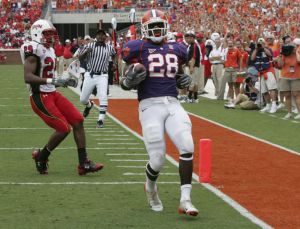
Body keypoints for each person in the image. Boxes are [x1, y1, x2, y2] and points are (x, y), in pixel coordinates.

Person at [121, 9, 198, 216]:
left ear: (165, 26)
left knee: (187, 146)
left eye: (159, 25)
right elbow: (124, 81)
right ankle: (151, 188)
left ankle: (186, 199)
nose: (156, 29)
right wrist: (128, 80)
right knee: (157, 158)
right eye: (152, 26)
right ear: (145, 29)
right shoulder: (137, 47)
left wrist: (183, 79)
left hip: (172, 103)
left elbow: (178, 73)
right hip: (150, 105)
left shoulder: (177, 48)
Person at [20, 19, 103, 175]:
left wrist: (63, 81)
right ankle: (41, 157)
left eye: (52, 34)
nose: (51, 37)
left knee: (78, 120)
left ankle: (83, 163)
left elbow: (49, 77)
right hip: (39, 96)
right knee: (64, 128)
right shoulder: (33, 48)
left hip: (51, 92)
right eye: (47, 34)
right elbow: (28, 76)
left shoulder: (49, 50)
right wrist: (54, 80)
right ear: (37, 33)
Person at [78, 29, 116, 128]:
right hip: (90, 74)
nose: (100, 36)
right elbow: (80, 58)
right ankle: (89, 105)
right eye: (98, 35)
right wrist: (86, 52)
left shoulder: (109, 47)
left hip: (103, 75)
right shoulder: (89, 46)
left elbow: (114, 54)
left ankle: (101, 119)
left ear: (105, 37)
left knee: (103, 97)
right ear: (96, 37)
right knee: (82, 99)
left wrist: (114, 64)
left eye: (102, 35)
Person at [251, 37, 278, 113]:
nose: (260, 44)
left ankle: (274, 104)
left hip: (268, 71)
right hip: (261, 72)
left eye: (262, 42)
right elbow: (252, 58)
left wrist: (263, 47)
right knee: (264, 90)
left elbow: (270, 54)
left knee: (271, 88)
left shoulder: (267, 49)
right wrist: (256, 49)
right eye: (259, 43)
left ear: (264, 43)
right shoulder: (256, 50)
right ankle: (268, 105)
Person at [276, 35, 300, 119]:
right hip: (285, 76)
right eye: (286, 43)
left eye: (289, 42)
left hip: (296, 76)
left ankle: (299, 113)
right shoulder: (285, 52)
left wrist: (296, 51)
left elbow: (299, 60)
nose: (288, 44)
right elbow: (280, 65)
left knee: (296, 95)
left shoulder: (298, 49)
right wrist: (280, 55)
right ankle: (289, 113)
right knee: (287, 95)